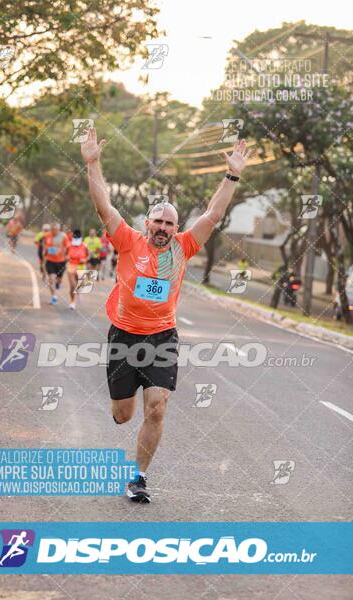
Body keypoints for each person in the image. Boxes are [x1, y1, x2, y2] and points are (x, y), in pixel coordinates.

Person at [81, 127, 250, 502]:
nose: (162, 227)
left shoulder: (185, 247)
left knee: (156, 410)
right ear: (147, 224)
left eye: (169, 223)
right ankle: (122, 407)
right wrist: (93, 164)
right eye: (157, 221)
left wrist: (232, 175)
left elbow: (214, 213)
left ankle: (138, 477)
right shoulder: (127, 240)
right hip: (123, 336)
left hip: (162, 338)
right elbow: (103, 206)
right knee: (123, 415)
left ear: (176, 229)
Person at [43, 222, 70, 305]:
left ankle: (58, 284)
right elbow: (45, 246)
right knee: (51, 279)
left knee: (59, 280)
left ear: (59, 229)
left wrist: (66, 255)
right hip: (50, 261)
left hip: (61, 261)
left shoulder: (63, 236)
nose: (55, 231)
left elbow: (68, 246)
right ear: (51, 229)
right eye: (53, 229)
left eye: (57, 229)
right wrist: (44, 257)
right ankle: (54, 297)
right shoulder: (47, 235)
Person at [67, 229, 88, 309]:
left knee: (79, 286)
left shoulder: (84, 246)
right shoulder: (69, 245)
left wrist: (85, 260)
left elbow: (88, 256)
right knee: (72, 286)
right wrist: (67, 257)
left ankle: (78, 294)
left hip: (81, 267)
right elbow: (65, 255)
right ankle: (72, 302)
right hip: (71, 266)